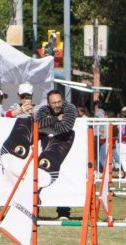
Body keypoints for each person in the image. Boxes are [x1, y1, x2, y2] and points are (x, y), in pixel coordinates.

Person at [35, 89, 78, 220]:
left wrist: (48, 123)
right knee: (40, 177)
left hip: (64, 147)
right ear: (48, 104)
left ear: (63, 101)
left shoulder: (70, 108)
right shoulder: (43, 110)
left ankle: (64, 212)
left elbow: (66, 127)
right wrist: (55, 119)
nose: (57, 105)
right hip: (46, 148)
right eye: (54, 103)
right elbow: (37, 124)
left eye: (59, 102)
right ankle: (34, 211)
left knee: (64, 177)